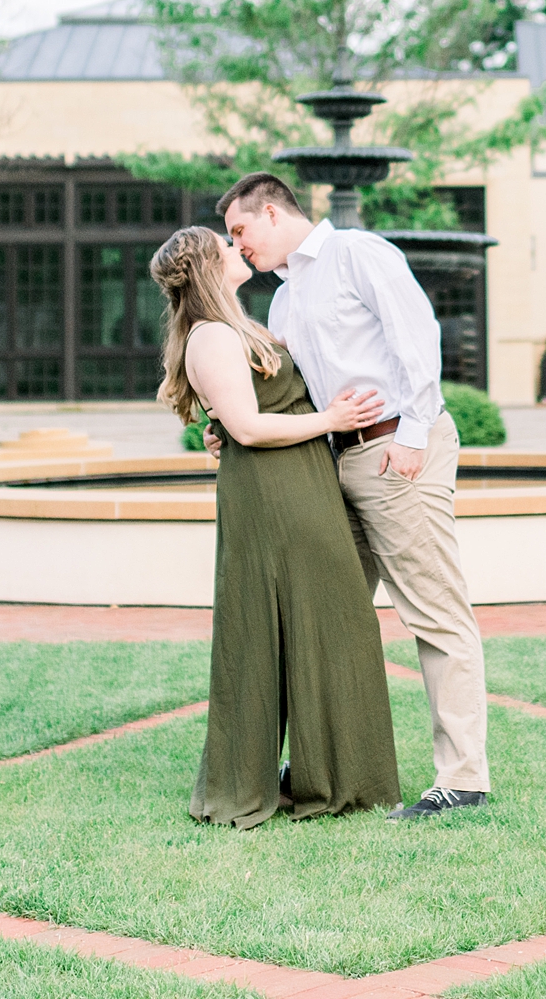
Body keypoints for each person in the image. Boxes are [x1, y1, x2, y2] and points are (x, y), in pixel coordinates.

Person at [217, 170, 492, 822]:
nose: (238, 245)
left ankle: (464, 778)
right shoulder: (283, 303)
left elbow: (417, 338)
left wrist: (415, 433)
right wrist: (221, 426)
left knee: (433, 607)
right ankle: (319, 767)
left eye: (240, 230)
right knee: (329, 613)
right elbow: (288, 395)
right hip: (335, 464)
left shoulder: (358, 254)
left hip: (397, 449)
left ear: (273, 212)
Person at [150, 225, 401, 830]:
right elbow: (250, 428)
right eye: (226, 244)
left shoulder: (240, 326)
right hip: (276, 492)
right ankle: (326, 781)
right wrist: (332, 419)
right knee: (324, 620)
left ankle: (337, 777)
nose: (238, 249)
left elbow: (242, 417)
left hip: (299, 482)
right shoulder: (210, 336)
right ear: (209, 266)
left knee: (329, 623)